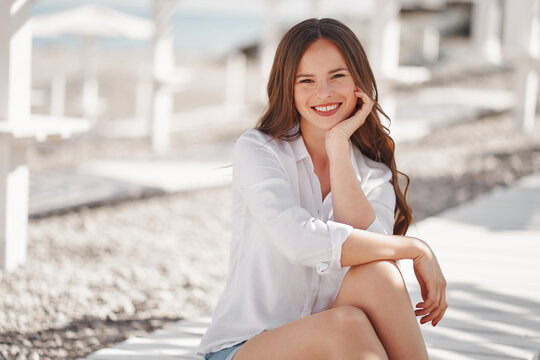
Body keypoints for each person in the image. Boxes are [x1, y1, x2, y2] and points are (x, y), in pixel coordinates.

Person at [196, 18, 447, 360]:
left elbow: (371, 250)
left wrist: (338, 146)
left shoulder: (372, 173)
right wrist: (414, 248)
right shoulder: (258, 150)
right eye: (307, 81)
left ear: (359, 81)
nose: (324, 93)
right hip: (246, 347)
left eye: (337, 76)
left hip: (338, 343)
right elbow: (299, 240)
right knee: (346, 324)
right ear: (289, 87)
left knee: (377, 275)